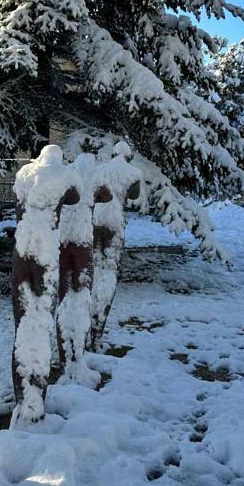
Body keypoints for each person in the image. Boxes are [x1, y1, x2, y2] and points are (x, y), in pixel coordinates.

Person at [11, 145, 81, 424]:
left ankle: (22, 396)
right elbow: (76, 196)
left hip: (21, 250)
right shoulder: (64, 174)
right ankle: (34, 399)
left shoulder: (23, 174)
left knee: (22, 323)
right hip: (45, 251)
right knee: (40, 319)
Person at [56, 153, 112, 383]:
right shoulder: (96, 177)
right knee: (81, 294)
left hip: (62, 240)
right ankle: (76, 355)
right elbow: (107, 196)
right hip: (82, 241)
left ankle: (63, 355)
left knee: (63, 296)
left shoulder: (66, 176)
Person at [89, 141, 141, 351]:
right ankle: (98, 325)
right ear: (128, 156)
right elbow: (135, 196)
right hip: (114, 222)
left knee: (92, 269)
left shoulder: (100, 170)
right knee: (110, 270)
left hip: (95, 221)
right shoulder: (133, 173)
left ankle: (87, 316)